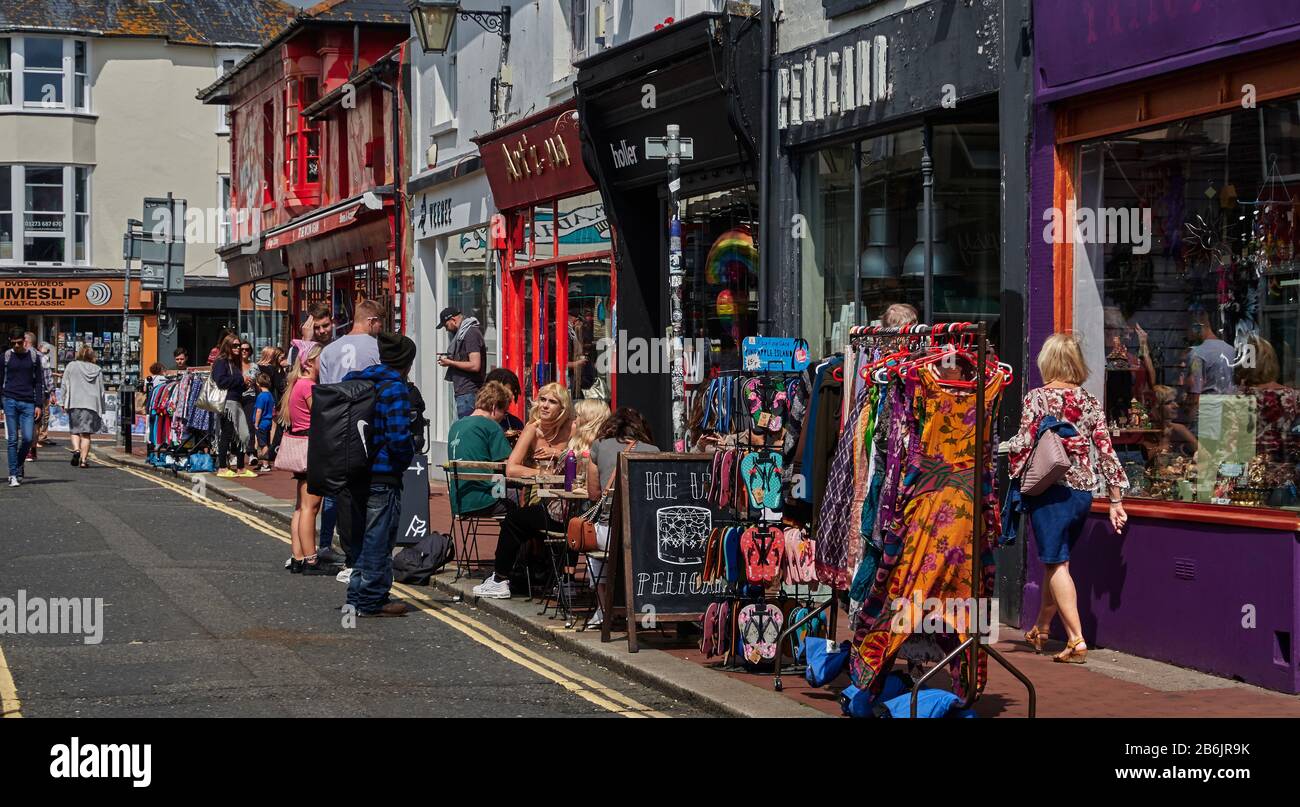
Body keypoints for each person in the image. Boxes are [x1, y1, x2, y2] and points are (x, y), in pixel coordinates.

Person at [1005, 333, 1129, 664]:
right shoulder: (1090, 401)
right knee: (1057, 560)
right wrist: (1116, 500)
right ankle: (1042, 628)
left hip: (1050, 491)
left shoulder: (1036, 399)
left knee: (1056, 563)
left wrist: (1003, 451)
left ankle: (1076, 639)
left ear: (1047, 362)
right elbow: (1106, 450)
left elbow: (1022, 444)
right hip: (1082, 495)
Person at [473, 382, 575, 599]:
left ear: (563, 408)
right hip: (541, 495)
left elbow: (582, 459)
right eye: (542, 400)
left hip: (570, 501)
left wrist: (557, 457)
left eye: (552, 401)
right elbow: (512, 468)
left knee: (522, 520)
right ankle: (516, 576)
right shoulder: (532, 428)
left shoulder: (572, 429)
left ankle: (562, 580)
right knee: (521, 518)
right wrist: (542, 474)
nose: (545, 406)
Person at [343, 332, 418, 617]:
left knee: (363, 536)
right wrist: (403, 460)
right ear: (406, 362)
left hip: (355, 471)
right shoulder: (394, 387)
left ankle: (356, 594)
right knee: (379, 538)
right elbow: (399, 436)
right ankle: (372, 599)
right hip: (383, 474)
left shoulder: (359, 381)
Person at [583, 407, 658, 626]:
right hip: (646, 535)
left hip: (609, 533)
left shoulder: (599, 446)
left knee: (591, 545)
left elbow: (594, 494)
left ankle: (604, 606)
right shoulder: (654, 450)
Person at [278, 344, 334, 574]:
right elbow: (322, 418)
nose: (325, 364)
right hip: (312, 449)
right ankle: (312, 559)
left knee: (301, 507)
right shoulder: (309, 386)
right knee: (312, 507)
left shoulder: (295, 385)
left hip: (300, 447)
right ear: (309, 362)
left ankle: (298, 557)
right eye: (322, 359)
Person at [446, 382, 516, 518]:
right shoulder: (491, 426)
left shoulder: (455, 426)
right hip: (486, 500)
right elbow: (509, 467)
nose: (503, 417)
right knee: (527, 496)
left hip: (459, 502)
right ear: (495, 407)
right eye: (504, 412)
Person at [1, 327, 46, 486]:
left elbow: (39, 382)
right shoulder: (5, 357)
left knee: (28, 438)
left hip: (28, 402)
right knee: (12, 439)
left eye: (20, 343)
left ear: (25, 341)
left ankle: (18, 464)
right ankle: (13, 474)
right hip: (10, 400)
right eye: (14, 343)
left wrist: (39, 404)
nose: (17, 346)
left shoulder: (34, 357)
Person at [211, 335, 255, 478]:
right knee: (228, 434)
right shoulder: (221, 362)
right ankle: (222, 468)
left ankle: (241, 468)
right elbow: (221, 381)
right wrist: (240, 378)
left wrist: (244, 384)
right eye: (235, 346)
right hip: (227, 403)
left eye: (239, 346)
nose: (238, 348)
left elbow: (235, 384)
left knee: (242, 435)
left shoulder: (235, 363)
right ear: (228, 346)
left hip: (237, 401)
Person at [60, 345, 106, 470]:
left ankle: (76, 450)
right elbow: (102, 390)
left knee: (75, 430)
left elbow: (64, 384)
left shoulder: (71, 366)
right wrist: (102, 407)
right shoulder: (97, 369)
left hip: (74, 402)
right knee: (86, 434)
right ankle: (84, 461)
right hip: (91, 404)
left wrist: (62, 401)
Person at [318, 298, 383, 384]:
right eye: (380, 325)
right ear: (372, 321)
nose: (380, 329)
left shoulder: (327, 351)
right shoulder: (378, 348)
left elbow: (324, 389)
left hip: (336, 396)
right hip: (367, 396)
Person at [438, 307, 485, 419]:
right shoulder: (464, 333)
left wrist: (450, 362)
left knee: (468, 430)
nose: (446, 329)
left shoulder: (470, 333)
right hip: (464, 392)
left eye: (446, 325)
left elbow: (475, 365)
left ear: (453, 320)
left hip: (469, 392)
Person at [485, 367, 525, 434]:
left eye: (510, 391)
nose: (509, 396)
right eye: (503, 391)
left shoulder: (516, 423)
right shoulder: (477, 422)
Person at [252, 373, 275, 472]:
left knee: (263, 444)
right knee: (266, 442)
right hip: (269, 421)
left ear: (258, 383)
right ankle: (265, 463)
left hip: (262, 422)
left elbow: (259, 411)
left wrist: (256, 423)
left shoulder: (261, 396)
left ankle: (265, 464)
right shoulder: (270, 395)